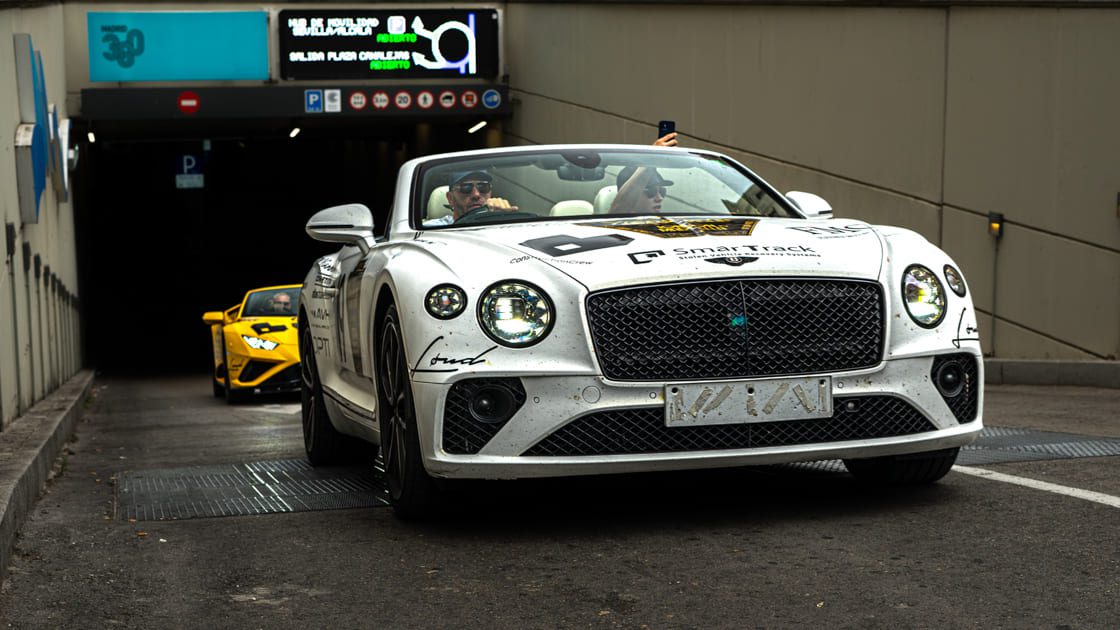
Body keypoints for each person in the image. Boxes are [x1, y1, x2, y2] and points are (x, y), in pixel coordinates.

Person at [607, 131, 679, 214]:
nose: (659, 198)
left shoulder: (671, 223)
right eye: (651, 192)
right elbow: (619, 210)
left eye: (662, 192)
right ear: (632, 193)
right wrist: (651, 157)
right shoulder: (611, 225)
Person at [425, 169, 519, 226]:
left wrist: (502, 219)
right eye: (466, 188)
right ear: (450, 198)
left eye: (483, 187)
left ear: (490, 192)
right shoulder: (433, 230)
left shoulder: (504, 226)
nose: (476, 195)